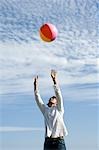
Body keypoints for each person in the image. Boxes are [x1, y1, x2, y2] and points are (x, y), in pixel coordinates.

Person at [33, 70, 68, 150]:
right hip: (48, 142)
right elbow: (38, 99)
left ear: (56, 103)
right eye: (51, 98)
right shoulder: (45, 110)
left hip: (59, 142)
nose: (52, 97)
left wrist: (54, 80)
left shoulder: (59, 109)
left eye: (54, 98)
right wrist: (35, 86)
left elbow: (59, 95)